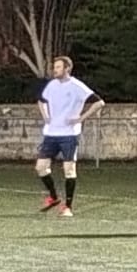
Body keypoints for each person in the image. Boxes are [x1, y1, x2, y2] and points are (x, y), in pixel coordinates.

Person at [36, 55, 103, 216]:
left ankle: (68, 207)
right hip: (51, 133)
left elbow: (99, 102)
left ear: (67, 69)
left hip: (69, 135)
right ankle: (53, 197)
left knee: (69, 169)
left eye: (58, 67)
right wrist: (45, 116)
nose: (55, 70)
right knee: (41, 167)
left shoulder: (77, 86)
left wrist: (81, 118)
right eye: (54, 67)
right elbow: (41, 101)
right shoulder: (52, 85)